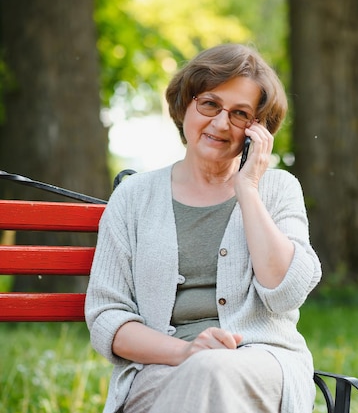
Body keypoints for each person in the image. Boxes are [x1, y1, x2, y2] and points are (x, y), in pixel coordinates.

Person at [85, 43, 322, 413]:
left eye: (240, 114)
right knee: (205, 372)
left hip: (261, 366)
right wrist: (185, 351)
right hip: (160, 370)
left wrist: (248, 189)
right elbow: (107, 318)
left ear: (257, 130)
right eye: (210, 104)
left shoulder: (277, 190)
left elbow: (285, 292)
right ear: (186, 104)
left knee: (213, 371)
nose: (221, 123)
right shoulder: (134, 197)